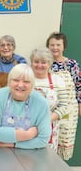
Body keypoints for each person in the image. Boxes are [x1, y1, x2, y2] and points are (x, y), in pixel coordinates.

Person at [0, 64, 51, 149]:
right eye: (16, 80)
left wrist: (14, 145)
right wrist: (27, 135)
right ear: (9, 82)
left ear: (32, 85)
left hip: (29, 156)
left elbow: (43, 139)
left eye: (26, 81)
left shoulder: (41, 103)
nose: (20, 85)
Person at [46, 32, 80, 160]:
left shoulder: (72, 64)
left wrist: (80, 103)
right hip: (51, 108)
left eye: (58, 45)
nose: (55, 47)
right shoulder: (45, 63)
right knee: (50, 138)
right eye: (52, 45)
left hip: (70, 108)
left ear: (63, 46)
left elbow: (78, 84)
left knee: (65, 140)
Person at [31, 48, 69, 152]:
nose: (39, 65)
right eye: (36, 62)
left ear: (50, 63)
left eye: (43, 62)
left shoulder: (58, 81)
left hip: (50, 126)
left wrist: (46, 121)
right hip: (27, 126)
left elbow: (64, 106)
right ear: (31, 62)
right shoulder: (27, 78)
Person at [0, 35, 27, 101]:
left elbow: (25, 83)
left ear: (13, 47)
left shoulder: (20, 61)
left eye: (9, 45)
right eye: (2, 45)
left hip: (16, 99)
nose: (6, 48)